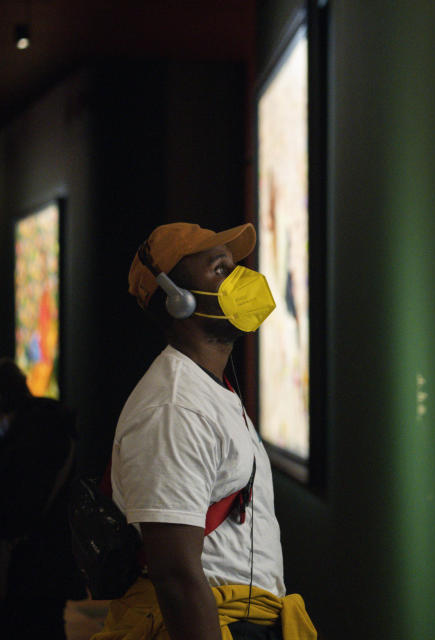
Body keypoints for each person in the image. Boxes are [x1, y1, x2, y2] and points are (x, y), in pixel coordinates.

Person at [92, 222, 316, 640]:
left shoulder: (211, 391)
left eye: (235, 266)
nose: (240, 279)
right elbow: (175, 576)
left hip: (241, 620)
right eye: (219, 269)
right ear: (178, 301)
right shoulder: (174, 406)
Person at [0, 358, 83, 639]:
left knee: (28, 623)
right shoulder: (54, 423)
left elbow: (22, 501)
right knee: (48, 621)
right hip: (56, 550)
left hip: (31, 557)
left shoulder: (29, 435)